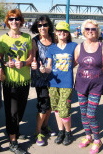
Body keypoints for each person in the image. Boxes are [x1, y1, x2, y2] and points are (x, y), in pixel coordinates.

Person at [74, 19, 103, 154]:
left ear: (97, 31)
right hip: (81, 85)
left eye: (93, 29)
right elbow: (73, 64)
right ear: (83, 31)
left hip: (96, 86)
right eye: (87, 29)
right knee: (83, 113)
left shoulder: (102, 47)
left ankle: (97, 140)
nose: (90, 31)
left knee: (91, 114)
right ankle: (88, 136)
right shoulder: (79, 47)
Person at [0, 9, 32, 154]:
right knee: (13, 112)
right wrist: (5, 63)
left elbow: (30, 58)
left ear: (21, 21)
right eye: (11, 19)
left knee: (21, 111)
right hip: (10, 81)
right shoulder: (3, 39)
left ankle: (12, 130)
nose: (14, 22)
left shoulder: (27, 38)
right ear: (7, 21)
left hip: (24, 80)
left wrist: (23, 63)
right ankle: (13, 141)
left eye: (16, 19)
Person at [39, 21, 77, 146]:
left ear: (68, 33)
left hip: (67, 83)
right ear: (56, 32)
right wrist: (44, 70)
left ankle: (68, 132)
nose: (62, 33)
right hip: (53, 82)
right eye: (59, 30)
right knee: (56, 109)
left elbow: (76, 62)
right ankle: (61, 131)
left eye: (65, 31)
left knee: (64, 110)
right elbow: (49, 66)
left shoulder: (74, 46)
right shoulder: (52, 48)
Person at [30, 15, 56, 146]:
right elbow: (31, 58)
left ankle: (45, 127)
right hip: (40, 77)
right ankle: (37, 131)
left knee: (51, 104)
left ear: (49, 26)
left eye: (45, 25)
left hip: (54, 77)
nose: (42, 27)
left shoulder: (54, 38)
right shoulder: (35, 41)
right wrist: (32, 65)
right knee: (43, 105)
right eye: (39, 25)